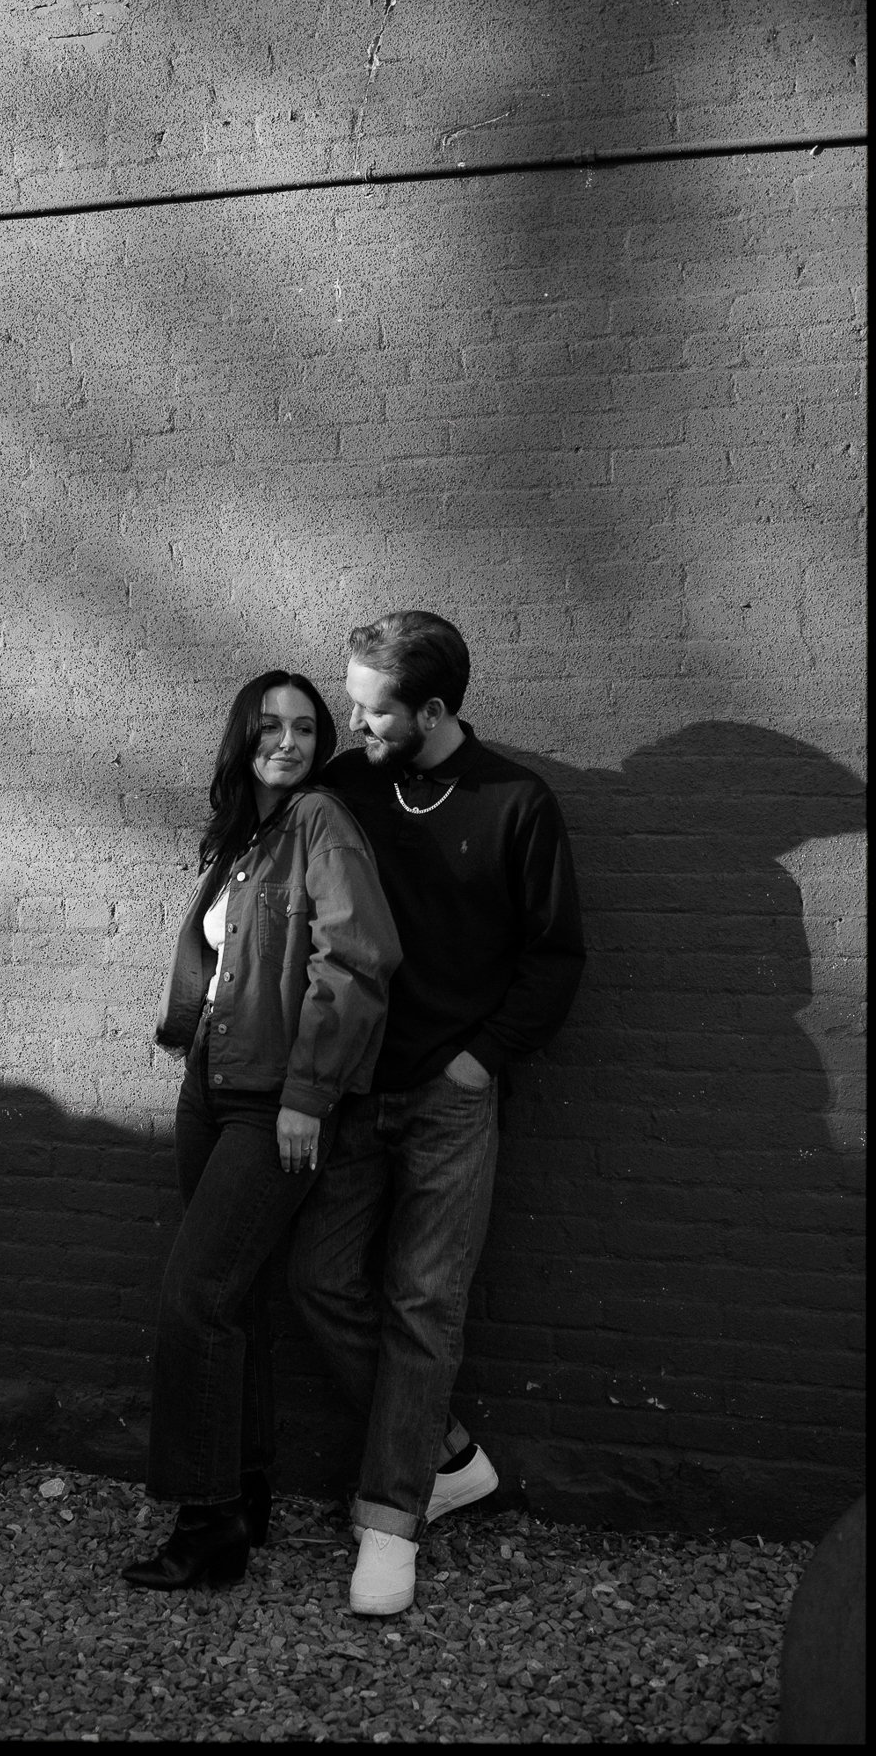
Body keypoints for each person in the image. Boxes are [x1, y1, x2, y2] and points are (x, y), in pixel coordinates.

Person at [288, 611, 585, 1615]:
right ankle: (446, 1453)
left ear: (436, 708)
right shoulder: (349, 790)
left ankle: (389, 1522)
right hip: (357, 1089)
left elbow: (555, 959)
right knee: (322, 1282)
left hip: (452, 1100)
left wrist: (475, 1064)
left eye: (374, 715)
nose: (354, 729)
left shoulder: (515, 803)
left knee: (426, 1304)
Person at [122, 669, 401, 1591]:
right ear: (243, 735)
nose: (290, 740)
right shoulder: (246, 834)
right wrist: (186, 1034)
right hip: (212, 1080)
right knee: (230, 1300)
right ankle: (244, 1498)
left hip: (273, 1099)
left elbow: (357, 960)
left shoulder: (321, 820)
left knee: (193, 1298)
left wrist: (306, 1098)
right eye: (271, 725)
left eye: (307, 727)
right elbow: (221, 959)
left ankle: (208, 1531)